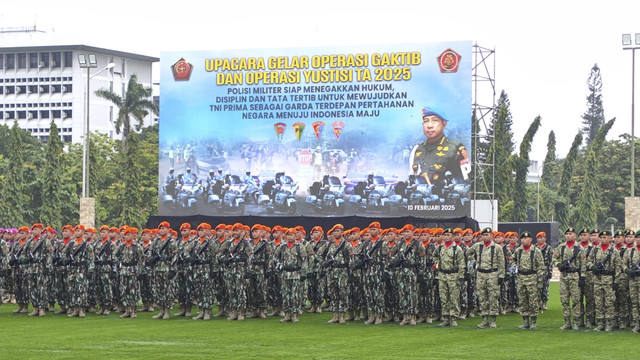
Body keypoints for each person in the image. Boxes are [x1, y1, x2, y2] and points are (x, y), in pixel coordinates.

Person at [410, 106, 470, 187]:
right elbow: (412, 176)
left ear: (444, 124)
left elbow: (466, 181)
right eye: (426, 121)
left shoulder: (455, 149)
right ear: (423, 124)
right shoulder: (417, 149)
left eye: (435, 121)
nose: (429, 125)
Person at [466, 227, 505, 328]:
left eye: (487, 235)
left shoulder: (497, 248)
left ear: (491, 236)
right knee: (482, 297)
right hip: (481, 274)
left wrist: (501, 276)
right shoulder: (477, 246)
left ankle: (493, 320)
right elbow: (468, 253)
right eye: (483, 235)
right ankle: (484, 319)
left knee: (493, 297)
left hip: (493, 274)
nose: (485, 237)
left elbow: (501, 262)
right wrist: (473, 261)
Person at [587, 230, 620, 332]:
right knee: (598, 302)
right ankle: (600, 323)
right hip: (597, 279)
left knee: (609, 302)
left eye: (605, 237)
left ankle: (609, 323)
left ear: (610, 238)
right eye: (601, 237)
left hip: (609, 279)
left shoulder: (614, 251)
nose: (602, 239)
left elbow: (618, 268)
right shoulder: (595, 249)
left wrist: (616, 282)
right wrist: (592, 267)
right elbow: (588, 261)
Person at [512, 231, 545, 330]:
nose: (523, 240)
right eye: (522, 238)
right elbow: (513, 259)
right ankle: (525, 321)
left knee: (533, 301)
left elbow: (541, 267)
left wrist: (538, 279)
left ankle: (533, 322)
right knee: (522, 300)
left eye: (525, 238)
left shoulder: (535, 251)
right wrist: (514, 267)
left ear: (530, 240)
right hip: (521, 278)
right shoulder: (518, 250)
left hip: (532, 278)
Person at [433, 228, 466, 327]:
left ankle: (453, 317)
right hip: (442, 275)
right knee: (444, 297)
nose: (446, 237)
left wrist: (461, 276)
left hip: (453, 275)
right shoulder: (439, 248)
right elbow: (434, 256)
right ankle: (446, 317)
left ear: (452, 236)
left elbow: (461, 263)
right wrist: (436, 263)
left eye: (448, 235)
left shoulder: (457, 248)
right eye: (445, 235)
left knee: (453, 297)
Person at [553, 227, 583, 330]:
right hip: (564, 276)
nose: (568, 236)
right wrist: (558, 264)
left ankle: (576, 322)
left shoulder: (579, 248)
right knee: (564, 300)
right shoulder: (561, 247)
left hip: (574, 275)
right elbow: (553, 258)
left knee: (576, 300)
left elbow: (583, 264)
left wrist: (582, 277)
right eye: (567, 234)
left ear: (575, 235)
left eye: (570, 234)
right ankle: (567, 322)